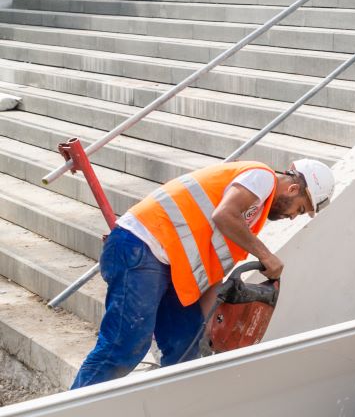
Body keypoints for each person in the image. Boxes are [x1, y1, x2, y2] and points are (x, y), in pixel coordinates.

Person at [71, 158, 335, 388]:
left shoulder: (251, 219)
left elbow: (213, 269)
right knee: (124, 346)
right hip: (143, 244)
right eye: (299, 209)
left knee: (187, 346)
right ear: (292, 188)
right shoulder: (261, 177)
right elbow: (224, 215)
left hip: (169, 265)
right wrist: (265, 256)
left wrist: (208, 323)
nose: (292, 217)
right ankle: (69, 411)